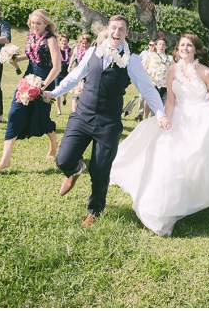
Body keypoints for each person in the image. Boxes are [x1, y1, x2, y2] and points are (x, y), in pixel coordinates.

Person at [110, 34, 209, 236]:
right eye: (182, 45)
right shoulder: (172, 70)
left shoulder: (205, 72)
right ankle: (165, 211)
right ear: (177, 49)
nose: (185, 48)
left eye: (189, 45)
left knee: (192, 161)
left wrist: (207, 112)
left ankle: (184, 201)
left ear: (195, 49)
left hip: (198, 119)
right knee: (167, 158)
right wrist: (166, 120)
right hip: (177, 117)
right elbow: (170, 99)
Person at [44, 15, 170, 228]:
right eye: (113, 28)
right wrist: (54, 92)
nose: (116, 32)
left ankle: (95, 211)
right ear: (108, 29)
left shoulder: (132, 60)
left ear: (126, 33)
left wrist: (160, 113)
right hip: (82, 114)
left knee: (100, 169)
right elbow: (75, 76)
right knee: (63, 159)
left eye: (121, 29)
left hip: (108, 122)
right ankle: (74, 169)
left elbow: (147, 88)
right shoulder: (93, 51)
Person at [0, 9, 61, 172]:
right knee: (15, 113)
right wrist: (13, 58)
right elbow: (31, 56)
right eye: (33, 23)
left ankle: (53, 143)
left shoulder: (51, 40)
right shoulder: (31, 37)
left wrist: (42, 87)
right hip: (28, 78)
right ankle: (5, 160)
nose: (35, 26)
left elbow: (57, 67)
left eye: (39, 23)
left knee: (42, 116)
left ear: (46, 23)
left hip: (45, 80)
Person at [142, 37, 172, 119]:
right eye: (159, 44)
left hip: (165, 86)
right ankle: (147, 120)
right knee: (154, 107)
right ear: (156, 46)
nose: (161, 46)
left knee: (164, 107)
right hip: (153, 84)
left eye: (163, 44)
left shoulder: (170, 58)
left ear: (166, 47)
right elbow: (143, 67)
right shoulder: (150, 56)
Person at [69, 33, 93, 113]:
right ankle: (74, 112)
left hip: (89, 75)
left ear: (89, 43)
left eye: (86, 43)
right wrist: (70, 65)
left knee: (86, 95)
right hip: (79, 75)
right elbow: (73, 56)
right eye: (83, 43)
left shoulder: (92, 51)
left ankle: (84, 111)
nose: (84, 45)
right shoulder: (77, 49)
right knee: (76, 95)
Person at [53, 33, 72, 116]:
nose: (64, 42)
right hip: (58, 73)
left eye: (65, 41)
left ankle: (64, 97)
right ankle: (58, 110)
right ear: (60, 42)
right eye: (62, 41)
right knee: (57, 90)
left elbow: (72, 60)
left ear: (68, 42)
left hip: (66, 73)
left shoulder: (70, 51)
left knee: (64, 91)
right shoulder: (57, 50)